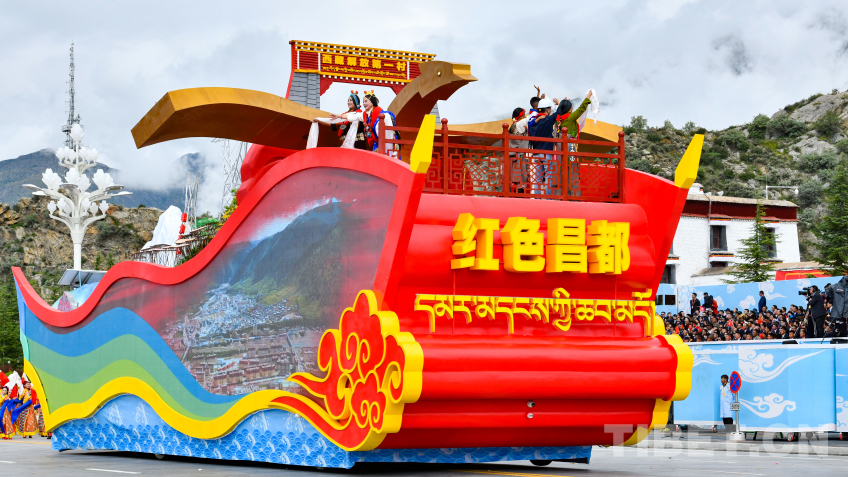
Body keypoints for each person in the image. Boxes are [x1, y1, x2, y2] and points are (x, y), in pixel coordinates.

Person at [508, 108, 530, 193]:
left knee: (517, 177)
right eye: (523, 115)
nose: (525, 116)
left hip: (517, 154)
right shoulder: (518, 125)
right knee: (520, 178)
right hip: (518, 154)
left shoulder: (515, 125)